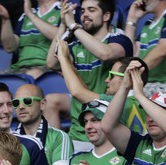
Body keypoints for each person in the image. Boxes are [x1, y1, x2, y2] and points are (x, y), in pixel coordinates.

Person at [45, 0, 132, 149]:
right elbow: (51, 63)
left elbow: (105, 53)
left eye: (91, 10)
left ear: (106, 16)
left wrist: (74, 26)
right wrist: (64, 25)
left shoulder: (120, 39)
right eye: (83, 11)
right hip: (79, 129)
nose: (85, 15)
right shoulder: (77, 44)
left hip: (108, 129)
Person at [57, 40, 149, 134]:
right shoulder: (142, 102)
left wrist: (63, 58)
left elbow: (78, 92)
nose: (107, 80)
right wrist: (72, 69)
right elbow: (85, 93)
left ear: (129, 79)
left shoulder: (121, 103)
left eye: (112, 75)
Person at [12, 83, 73, 165]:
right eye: (16, 103)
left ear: (42, 104)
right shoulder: (10, 138)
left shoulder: (59, 136)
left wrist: (25, 164)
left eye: (27, 101)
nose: (21, 107)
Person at [0, 0, 60, 79]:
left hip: (48, 68)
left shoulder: (66, 10)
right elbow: (9, 47)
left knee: (31, 75)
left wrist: (30, 15)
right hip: (19, 68)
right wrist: (5, 19)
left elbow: (59, 36)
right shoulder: (25, 15)